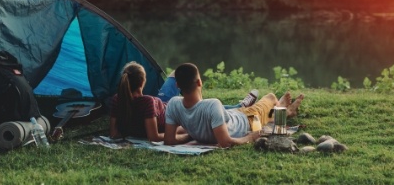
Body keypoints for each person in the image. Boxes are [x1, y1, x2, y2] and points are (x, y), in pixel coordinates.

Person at [109, 62, 258, 142]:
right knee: (196, 101)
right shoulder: (147, 102)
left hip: (160, 105)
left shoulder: (118, 99)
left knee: (178, 72)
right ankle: (240, 106)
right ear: (143, 82)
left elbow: (114, 134)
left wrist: (130, 131)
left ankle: (236, 105)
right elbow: (153, 136)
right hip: (169, 108)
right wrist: (188, 134)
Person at [164, 63, 304, 148]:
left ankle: (280, 113)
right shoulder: (212, 105)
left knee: (258, 114)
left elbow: (169, 140)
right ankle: (286, 112)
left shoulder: (173, 104)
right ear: (200, 82)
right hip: (248, 120)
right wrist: (251, 137)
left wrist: (192, 135)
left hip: (235, 115)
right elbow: (226, 143)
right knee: (271, 97)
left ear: (177, 85)